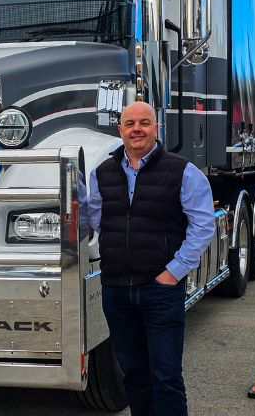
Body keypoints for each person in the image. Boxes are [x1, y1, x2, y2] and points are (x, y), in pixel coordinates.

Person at [87, 101, 215, 416]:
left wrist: (173, 272)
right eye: (129, 124)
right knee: (134, 375)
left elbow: (203, 226)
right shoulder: (102, 173)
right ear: (120, 129)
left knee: (166, 377)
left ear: (156, 128)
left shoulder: (182, 171)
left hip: (159, 291)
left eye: (144, 123)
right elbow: (90, 222)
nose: (137, 129)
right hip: (116, 290)